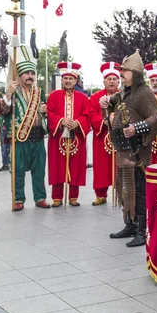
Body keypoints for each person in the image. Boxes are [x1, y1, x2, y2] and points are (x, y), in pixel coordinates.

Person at [101, 50, 157, 247]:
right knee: (126, 188)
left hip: (137, 151)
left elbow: (156, 118)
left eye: (125, 71)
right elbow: (116, 105)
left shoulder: (144, 92)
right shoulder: (125, 92)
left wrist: (137, 127)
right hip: (124, 150)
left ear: (135, 73)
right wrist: (106, 102)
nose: (121, 74)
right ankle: (130, 224)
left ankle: (143, 232)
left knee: (140, 190)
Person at [0, 45, 50, 211]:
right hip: (19, 138)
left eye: (32, 73)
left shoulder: (39, 92)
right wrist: (8, 93)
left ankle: (40, 197)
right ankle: (18, 199)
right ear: (19, 75)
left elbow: (44, 112)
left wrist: (45, 111)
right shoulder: (12, 92)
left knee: (39, 170)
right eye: (27, 73)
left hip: (37, 136)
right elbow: (3, 111)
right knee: (18, 170)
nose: (30, 76)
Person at [46, 61, 90, 207]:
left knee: (76, 166)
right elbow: (50, 114)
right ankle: (57, 197)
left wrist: (78, 122)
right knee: (57, 165)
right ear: (62, 80)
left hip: (76, 136)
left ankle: (73, 196)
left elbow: (87, 115)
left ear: (75, 80)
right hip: (58, 136)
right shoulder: (53, 96)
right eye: (65, 78)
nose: (68, 81)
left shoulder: (83, 97)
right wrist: (61, 121)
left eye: (71, 78)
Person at [88, 62, 120, 206]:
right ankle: (101, 194)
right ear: (104, 81)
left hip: (121, 136)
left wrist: (118, 121)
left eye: (114, 79)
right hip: (102, 136)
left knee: (121, 164)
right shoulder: (95, 97)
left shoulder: (124, 95)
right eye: (109, 79)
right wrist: (104, 121)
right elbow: (91, 114)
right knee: (101, 165)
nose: (112, 81)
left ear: (118, 81)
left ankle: (121, 192)